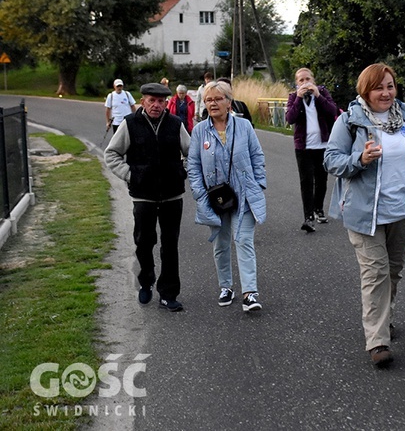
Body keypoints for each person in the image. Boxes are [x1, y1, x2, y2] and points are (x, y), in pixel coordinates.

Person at [324, 63, 405, 367]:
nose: (386, 92)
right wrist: (360, 158)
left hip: (402, 211)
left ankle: (384, 317)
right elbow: (331, 160)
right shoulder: (350, 120)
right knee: (376, 272)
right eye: (379, 87)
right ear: (365, 90)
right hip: (365, 212)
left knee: (393, 271)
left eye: (390, 86)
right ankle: (377, 340)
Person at [105, 82, 190, 312]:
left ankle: (168, 293)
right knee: (144, 242)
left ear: (166, 103)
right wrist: (131, 175)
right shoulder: (130, 124)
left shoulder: (175, 124)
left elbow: (191, 152)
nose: (156, 105)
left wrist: (183, 171)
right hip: (143, 195)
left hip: (172, 195)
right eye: (151, 101)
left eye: (161, 101)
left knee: (170, 245)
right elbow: (112, 154)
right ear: (143, 101)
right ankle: (146, 281)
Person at [187, 80, 267, 312]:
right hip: (216, 198)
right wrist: (200, 194)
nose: (213, 103)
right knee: (221, 244)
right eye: (209, 100)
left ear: (229, 103)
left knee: (243, 240)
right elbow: (193, 165)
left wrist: (258, 183)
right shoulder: (200, 130)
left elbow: (257, 156)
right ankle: (226, 286)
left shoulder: (244, 126)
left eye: (217, 99)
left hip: (244, 195)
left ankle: (250, 293)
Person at [285, 68, 338, 232]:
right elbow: (290, 118)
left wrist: (318, 96)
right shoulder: (294, 97)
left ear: (313, 80)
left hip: (322, 144)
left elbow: (333, 111)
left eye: (307, 79)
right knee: (306, 182)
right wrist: (299, 98)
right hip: (303, 147)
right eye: (300, 80)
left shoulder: (321, 93)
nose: (304, 82)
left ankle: (318, 209)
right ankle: (308, 217)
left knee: (321, 180)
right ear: (296, 83)